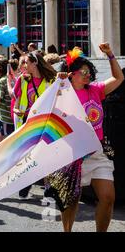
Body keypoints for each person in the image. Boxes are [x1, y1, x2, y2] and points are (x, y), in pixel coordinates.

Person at [46, 44, 124, 232]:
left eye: (89, 71)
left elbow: (119, 77)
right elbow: (47, 107)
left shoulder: (96, 90)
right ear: (72, 74)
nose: (88, 74)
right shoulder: (63, 93)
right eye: (83, 71)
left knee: (108, 197)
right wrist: (58, 83)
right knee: (71, 201)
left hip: (97, 151)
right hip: (73, 154)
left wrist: (110, 55)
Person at [13, 51, 56, 199]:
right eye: (23, 63)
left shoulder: (51, 80)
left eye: (26, 62)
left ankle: (48, 187)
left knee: (46, 155)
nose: (24, 66)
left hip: (46, 123)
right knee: (28, 155)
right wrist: (17, 110)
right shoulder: (22, 80)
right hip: (28, 123)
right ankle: (26, 182)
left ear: (35, 63)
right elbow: (17, 103)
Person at [0, 58, 14, 142]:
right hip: (12, 117)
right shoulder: (13, 78)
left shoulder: (2, 81)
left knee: (1, 143)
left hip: (4, 117)